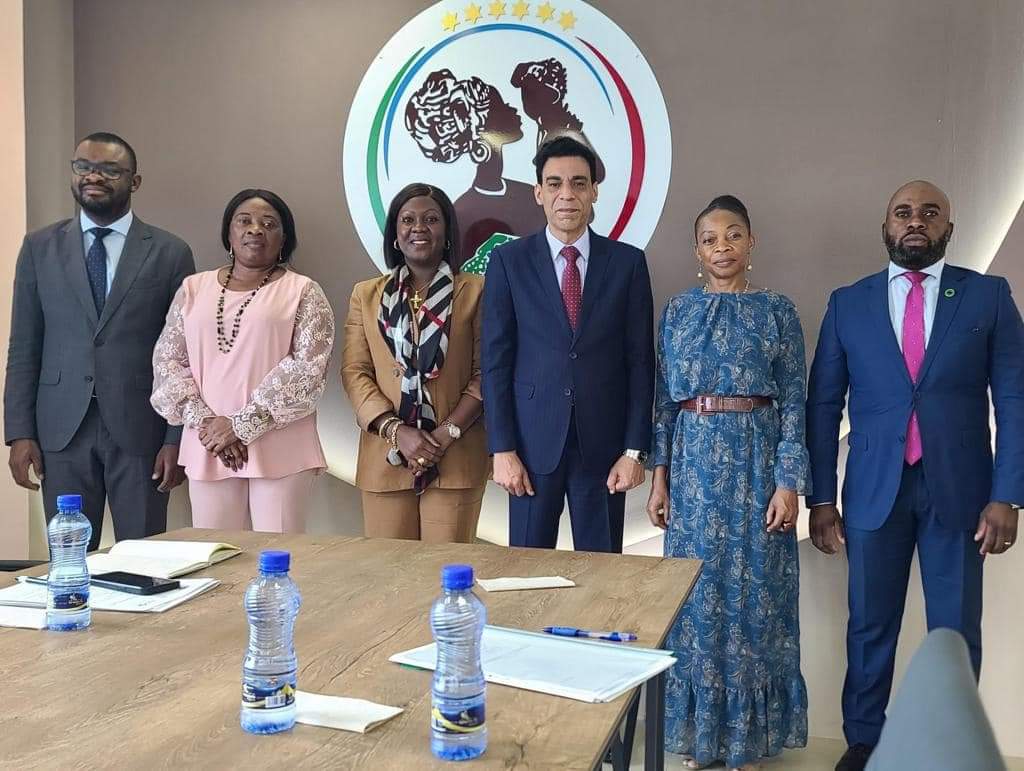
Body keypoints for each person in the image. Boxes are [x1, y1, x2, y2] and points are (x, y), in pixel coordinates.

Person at [805, 181, 1024, 771]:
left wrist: (1008, 495)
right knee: (869, 626)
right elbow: (822, 406)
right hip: (874, 491)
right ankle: (863, 744)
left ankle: (953, 751)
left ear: (949, 228)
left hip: (963, 494)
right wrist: (821, 498)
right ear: (886, 227)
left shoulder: (987, 296)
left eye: (930, 212)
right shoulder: (848, 303)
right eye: (903, 212)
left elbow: (1015, 398)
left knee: (953, 632)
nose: (916, 221)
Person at [646, 195, 809, 771]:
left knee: (755, 604)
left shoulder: (777, 310)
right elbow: (663, 403)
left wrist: (788, 483)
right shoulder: (678, 312)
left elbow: (795, 401)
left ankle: (747, 744)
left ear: (751, 242)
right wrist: (659, 480)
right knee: (696, 603)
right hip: (692, 474)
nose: (723, 247)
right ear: (697, 250)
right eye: (710, 239)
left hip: (758, 471)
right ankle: (700, 740)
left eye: (733, 235)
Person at [4, 132, 194, 551]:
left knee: (144, 560)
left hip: (141, 429)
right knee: (70, 558)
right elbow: (24, 346)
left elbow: (183, 356)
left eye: (110, 170)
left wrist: (174, 439)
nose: (94, 177)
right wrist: (19, 433)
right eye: (84, 167)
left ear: (134, 181)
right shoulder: (39, 247)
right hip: (61, 431)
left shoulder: (170, 252)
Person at [482, 136, 654, 553]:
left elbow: (640, 363)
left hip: (605, 450)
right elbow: (495, 361)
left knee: (603, 574)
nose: (567, 195)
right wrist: (502, 449)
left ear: (594, 191)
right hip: (530, 447)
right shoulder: (508, 261)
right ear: (538, 192)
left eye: (579, 183)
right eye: (554, 183)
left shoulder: (627, 263)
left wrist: (634, 450)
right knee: (526, 573)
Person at [151, 189, 334, 533]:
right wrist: (209, 425)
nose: (255, 230)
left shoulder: (304, 291)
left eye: (269, 224)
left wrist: (240, 425)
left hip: (280, 447)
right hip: (209, 444)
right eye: (244, 221)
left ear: (284, 239)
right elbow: (168, 361)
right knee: (215, 554)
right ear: (229, 233)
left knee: (278, 553)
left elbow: (309, 369)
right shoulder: (193, 288)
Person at [341, 183, 488, 543]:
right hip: (385, 455)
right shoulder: (366, 294)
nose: (418, 227)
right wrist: (396, 431)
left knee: (448, 568)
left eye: (431, 219)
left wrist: (445, 434)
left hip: (455, 457)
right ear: (395, 234)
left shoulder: (478, 290)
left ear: (447, 232)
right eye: (407, 220)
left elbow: (488, 372)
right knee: (389, 572)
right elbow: (355, 371)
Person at [405, 68, 546, 263]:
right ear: (478, 130)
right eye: (500, 108)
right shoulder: (462, 214)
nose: (512, 108)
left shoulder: (531, 194)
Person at [510, 57, 606, 184]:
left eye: (533, 91)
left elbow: (598, 172)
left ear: (552, 96)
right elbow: (515, 79)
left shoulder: (567, 132)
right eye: (525, 91)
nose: (526, 98)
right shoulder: (545, 128)